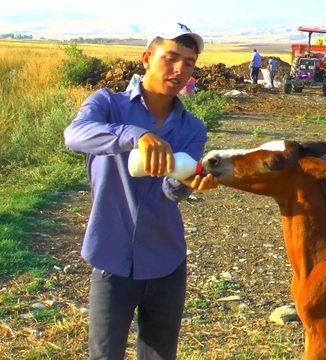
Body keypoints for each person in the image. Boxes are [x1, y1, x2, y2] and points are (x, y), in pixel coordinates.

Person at [64, 22, 218, 359]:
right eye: (171, 58)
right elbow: (74, 135)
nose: (180, 70)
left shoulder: (192, 127)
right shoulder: (107, 104)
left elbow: (169, 191)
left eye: (189, 63)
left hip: (166, 260)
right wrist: (137, 135)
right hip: (111, 258)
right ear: (147, 58)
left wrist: (189, 183)